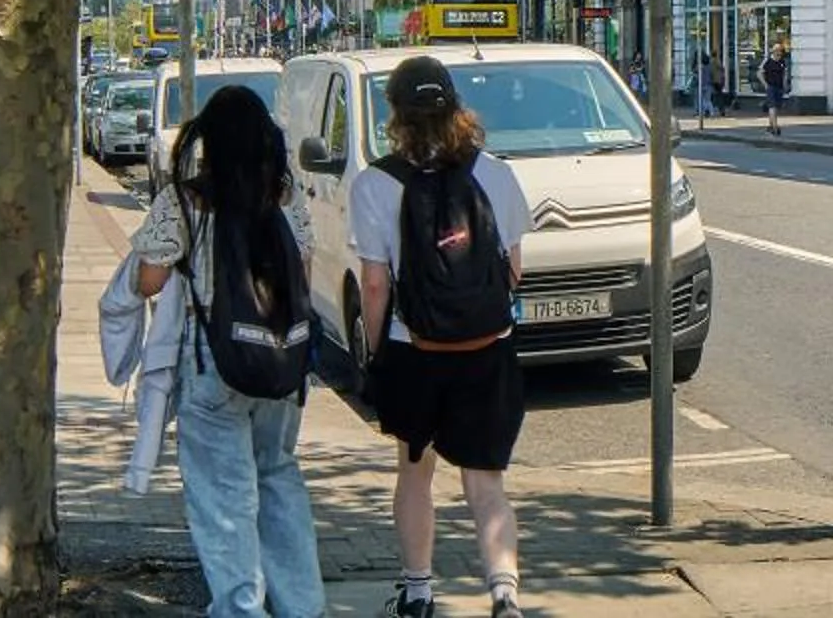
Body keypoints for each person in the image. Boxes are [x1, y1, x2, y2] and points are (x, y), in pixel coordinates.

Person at [126, 85, 324, 618]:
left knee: (224, 498)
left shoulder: (186, 201)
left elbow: (147, 279)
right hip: (281, 364)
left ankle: (241, 608)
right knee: (279, 476)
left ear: (207, 142)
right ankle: (303, 606)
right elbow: (303, 271)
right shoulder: (285, 196)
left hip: (214, 364)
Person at [351, 55, 533, 618]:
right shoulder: (495, 174)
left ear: (395, 115)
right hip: (487, 346)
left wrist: (375, 355)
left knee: (415, 471)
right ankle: (504, 592)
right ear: (456, 109)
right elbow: (514, 269)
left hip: (414, 350)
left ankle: (418, 592)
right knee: (486, 480)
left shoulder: (375, 184)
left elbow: (376, 284)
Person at [760, 40, 789, 134]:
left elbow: (785, 73)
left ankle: (770, 125)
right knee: (772, 106)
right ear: (773, 51)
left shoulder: (782, 61)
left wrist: (785, 84)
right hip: (771, 87)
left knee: (776, 107)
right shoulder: (768, 61)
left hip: (779, 87)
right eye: (777, 50)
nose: (778, 52)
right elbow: (759, 73)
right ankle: (775, 127)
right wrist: (765, 85)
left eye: (780, 50)